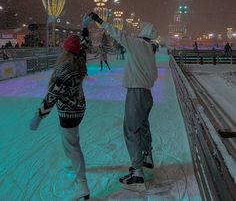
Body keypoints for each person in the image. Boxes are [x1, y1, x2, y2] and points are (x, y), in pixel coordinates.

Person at [89, 12, 157, 191]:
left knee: (131, 130)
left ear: (142, 31)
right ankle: (147, 156)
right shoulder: (150, 48)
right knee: (142, 126)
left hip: (136, 93)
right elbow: (154, 74)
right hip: (147, 93)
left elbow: (118, 34)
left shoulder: (137, 44)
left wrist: (100, 21)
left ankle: (137, 172)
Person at [29, 14, 92, 201]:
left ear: (65, 50)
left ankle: (83, 186)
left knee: (72, 146)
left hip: (69, 112)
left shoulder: (64, 68)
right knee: (71, 141)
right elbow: (85, 45)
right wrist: (85, 28)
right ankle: (75, 165)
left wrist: (39, 116)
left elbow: (52, 96)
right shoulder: (79, 60)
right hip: (79, 107)